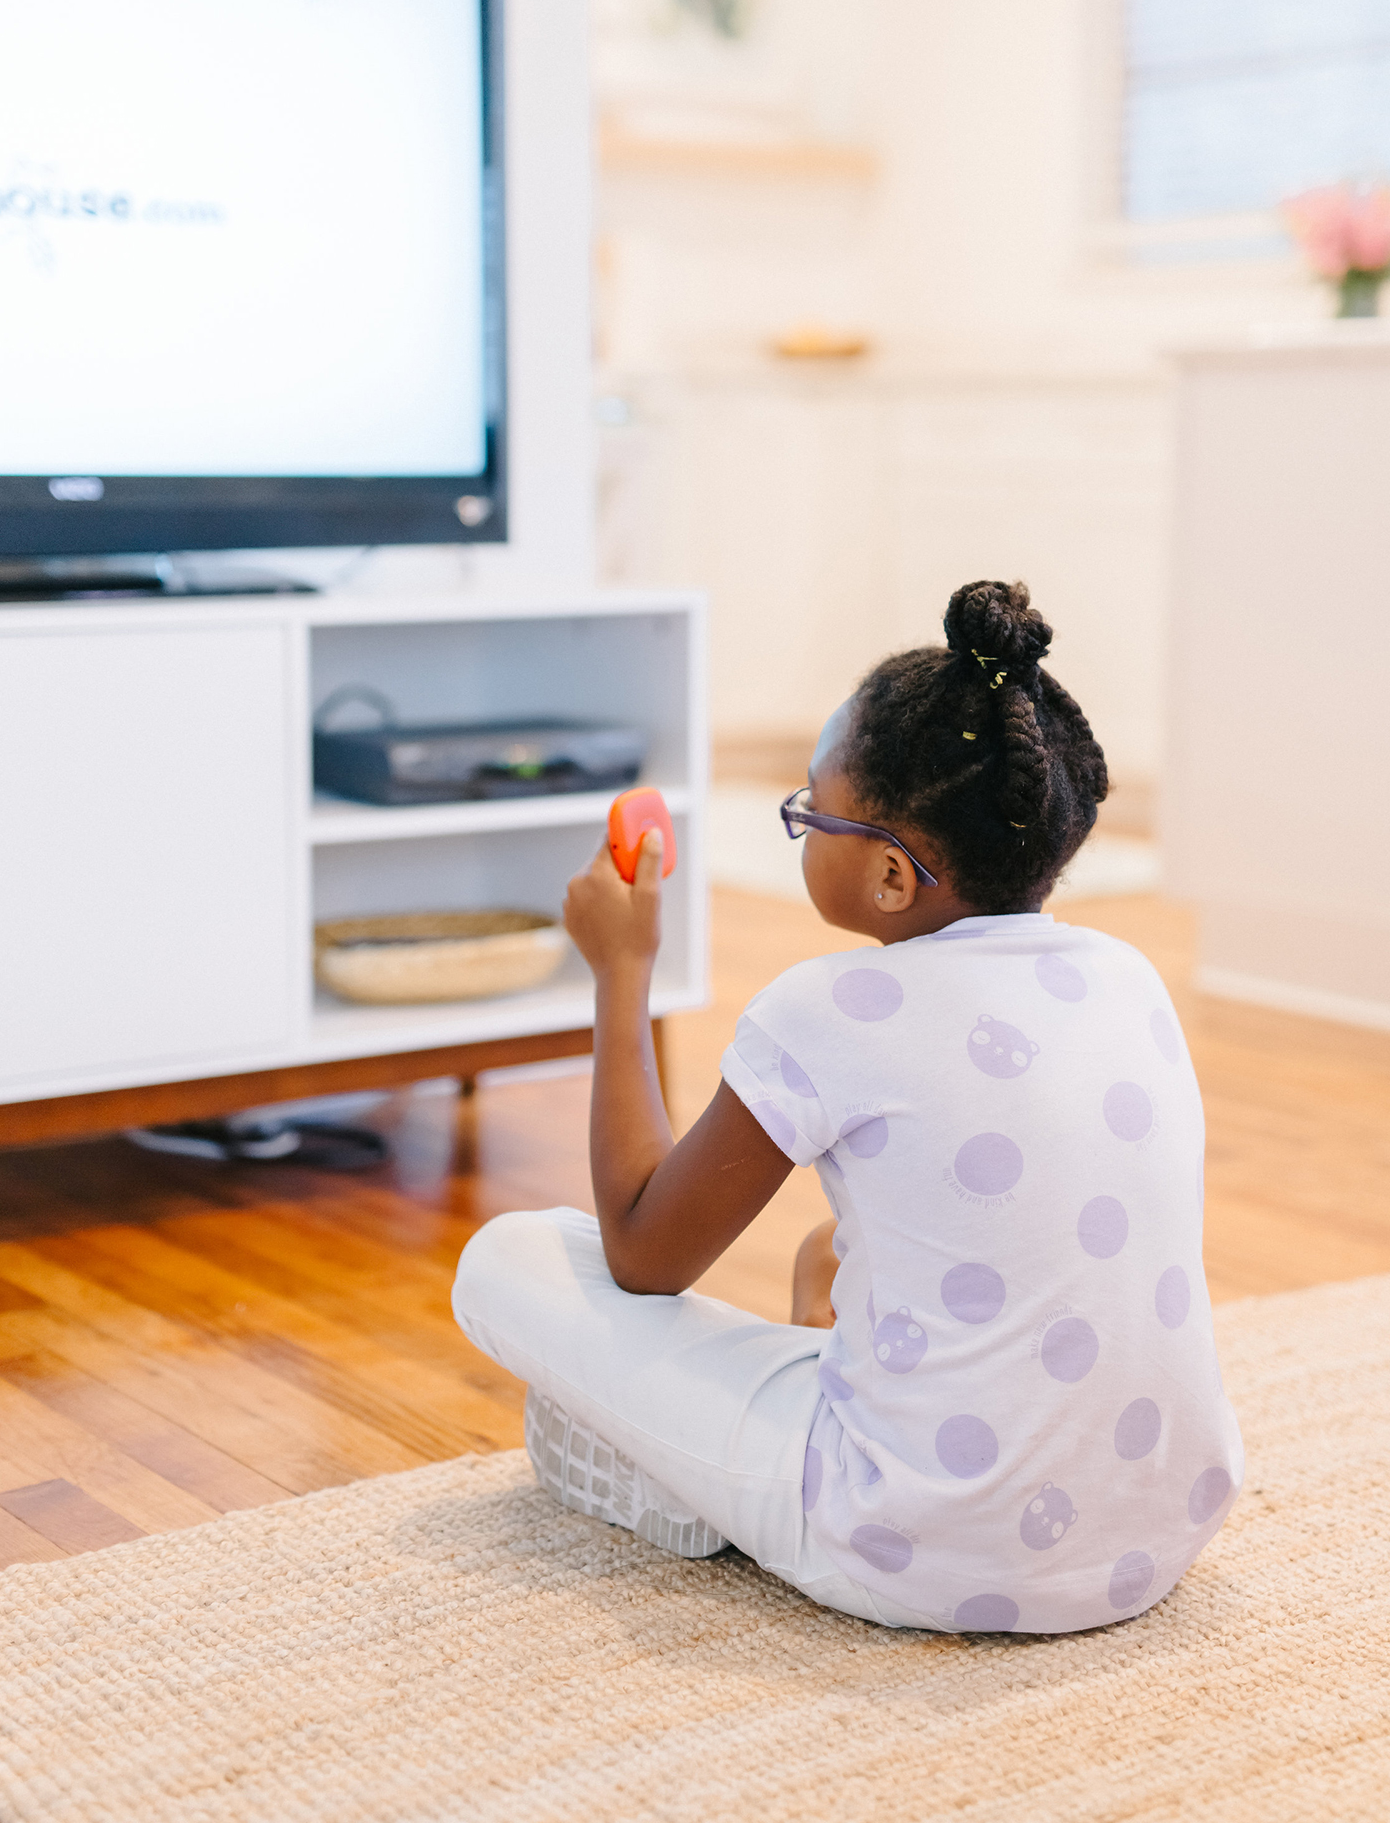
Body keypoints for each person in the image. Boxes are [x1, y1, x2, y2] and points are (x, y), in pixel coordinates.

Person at [452, 580, 1243, 1634]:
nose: (799, 826)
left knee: (509, 1260)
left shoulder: (830, 1011)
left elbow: (643, 1254)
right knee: (833, 1254)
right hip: (1157, 1536)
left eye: (807, 811)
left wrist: (622, 971)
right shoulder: (1128, 976)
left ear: (886, 874)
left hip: (916, 1551)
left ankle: (700, 1492)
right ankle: (753, 1453)